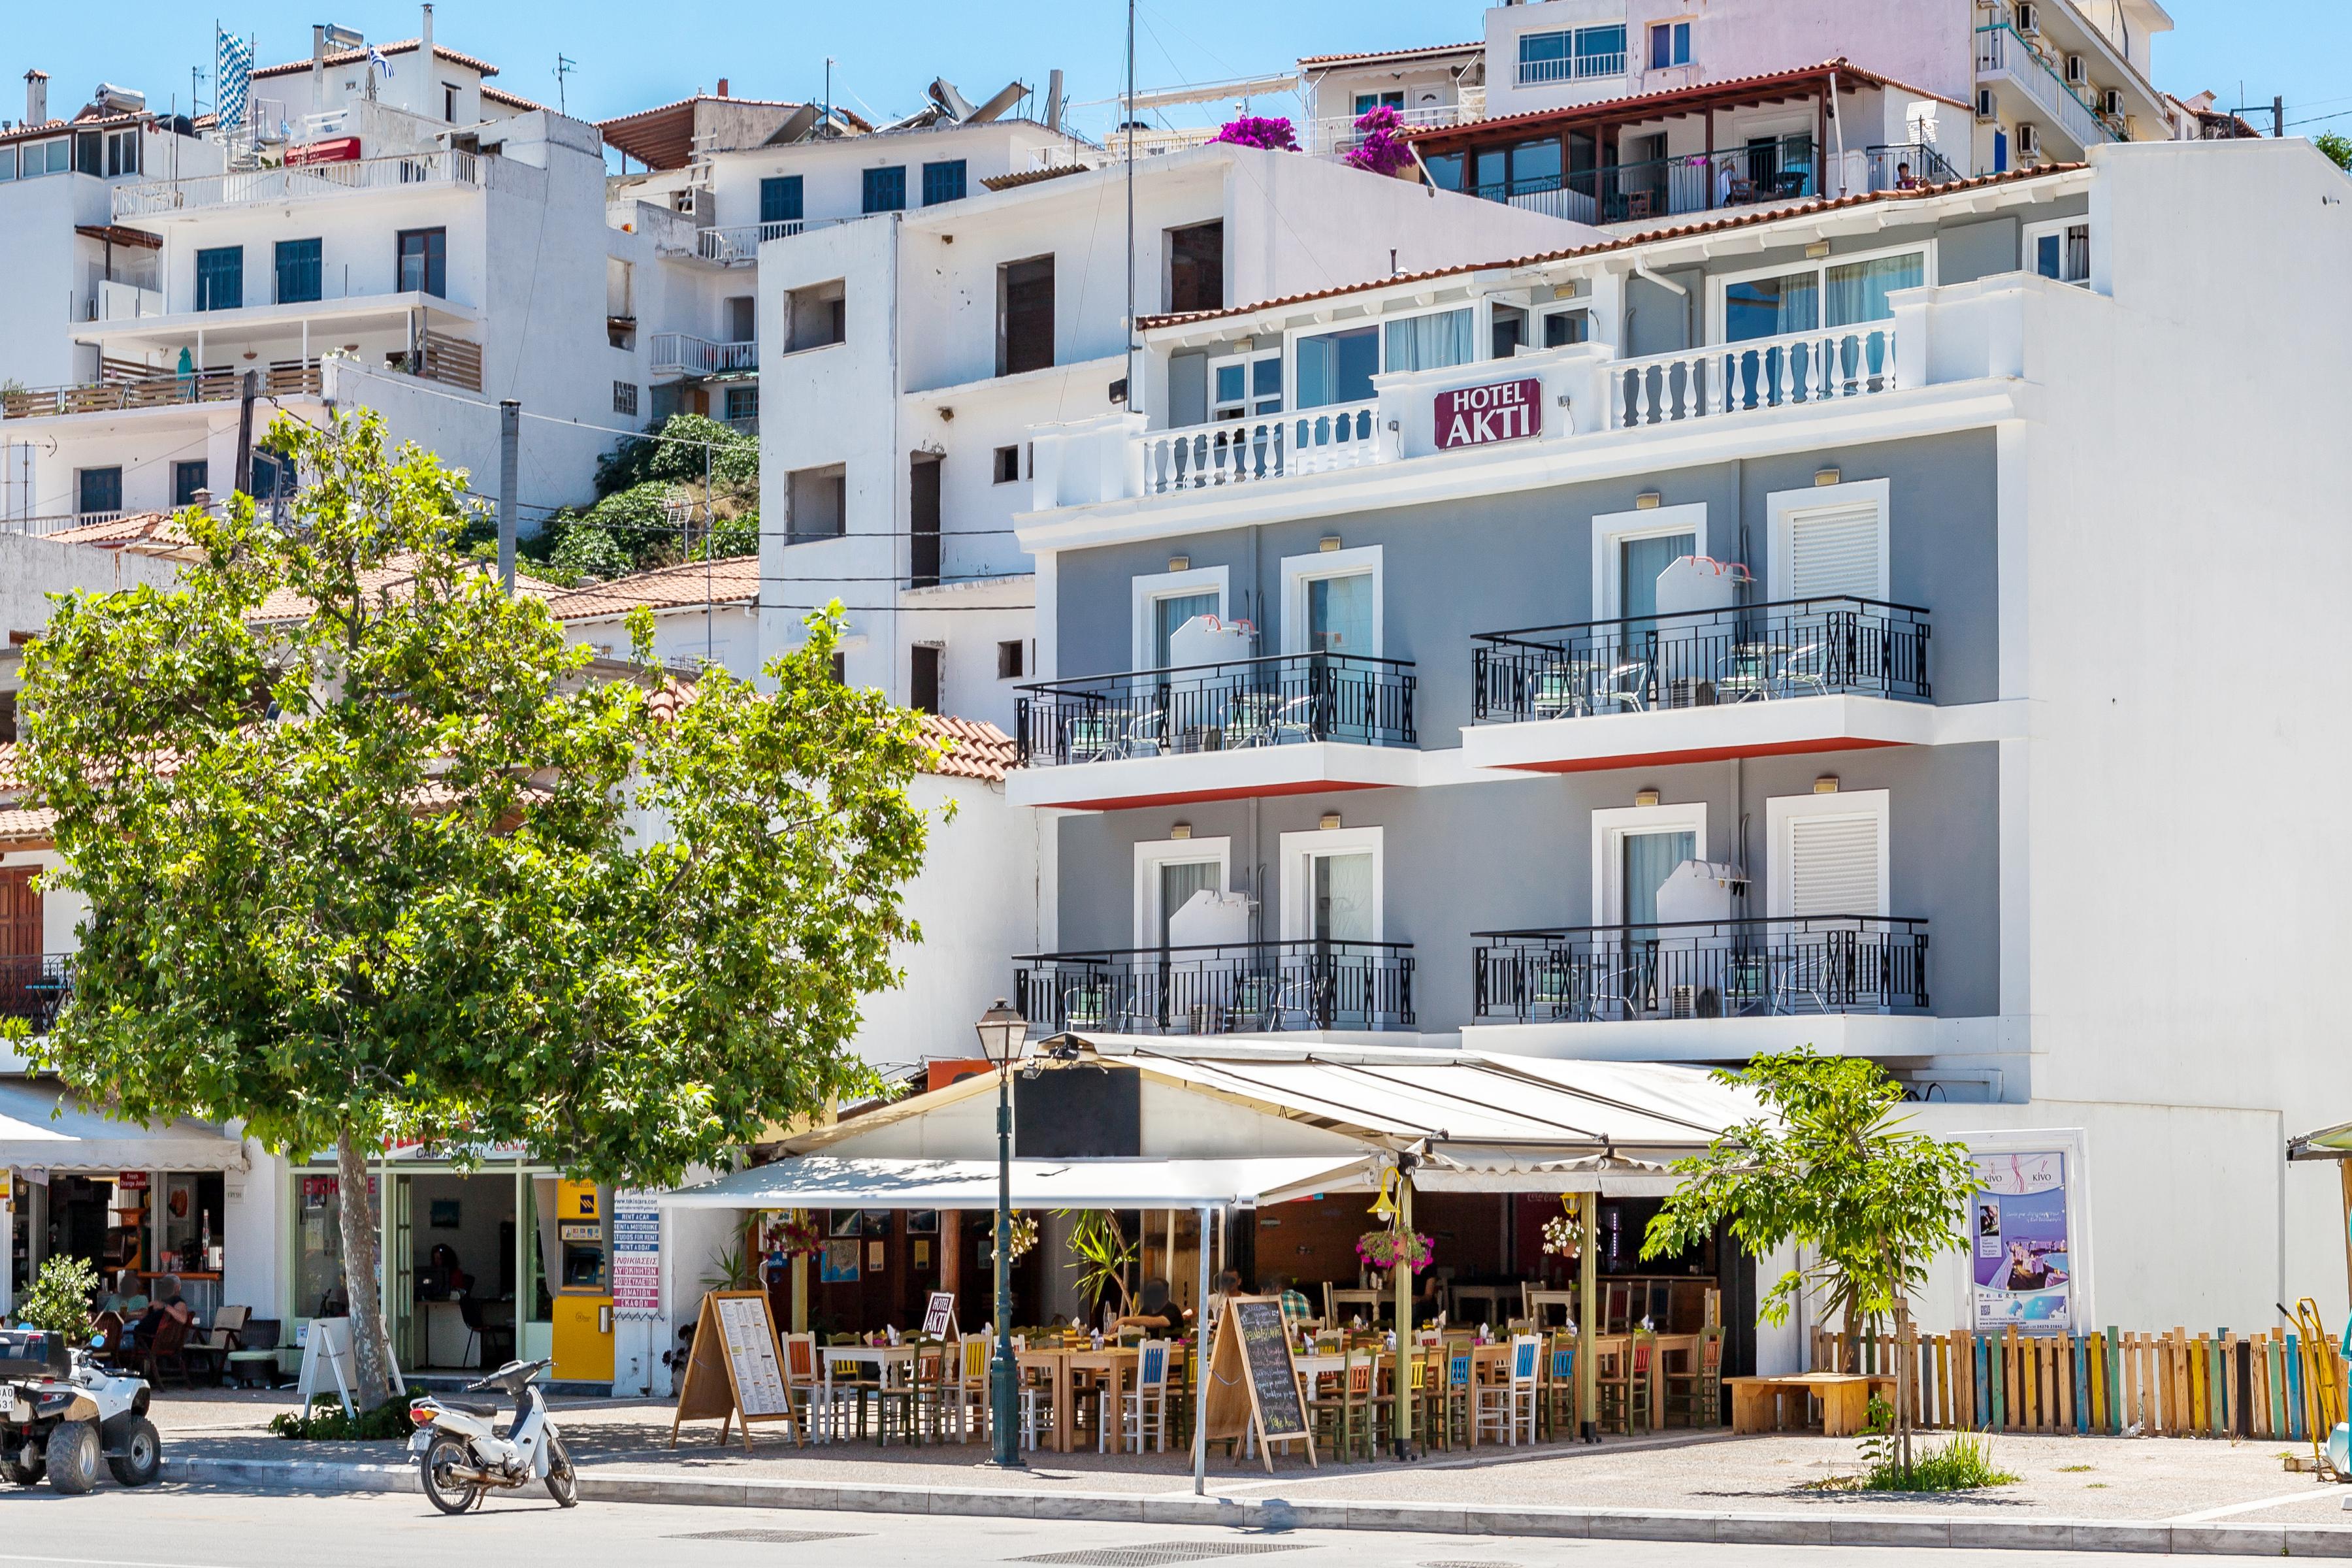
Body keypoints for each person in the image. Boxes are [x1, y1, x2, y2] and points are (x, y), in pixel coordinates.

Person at [1113, 1278, 1181, 1335]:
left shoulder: (1172, 1309)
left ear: (1166, 1293)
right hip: (1146, 1348)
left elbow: (1162, 1321)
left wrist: (1125, 1320)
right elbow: (1136, 1325)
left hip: (1170, 1349)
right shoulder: (1146, 1309)